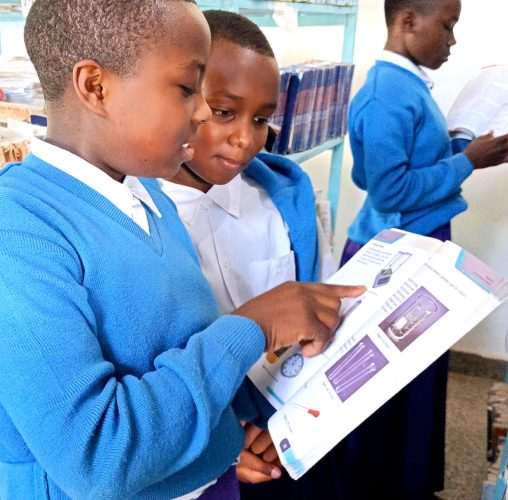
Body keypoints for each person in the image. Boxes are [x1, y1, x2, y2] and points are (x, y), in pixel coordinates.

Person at [0, 1, 363, 499]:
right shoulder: (6, 238)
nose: (202, 112)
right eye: (186, 88)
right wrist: (254, 326)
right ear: (96, 87)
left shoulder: (145, 193)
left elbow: (175, 353)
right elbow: (96, 456)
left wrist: (218, 441)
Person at [335, 0, 508, 498]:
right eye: (446, 26)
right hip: (397, 253)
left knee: (414, 379)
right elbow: (388, 190)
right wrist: (466, 161)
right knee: (391, 387)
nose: (452, 41)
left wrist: (470, 156)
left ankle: (404, 483)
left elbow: (376, 171)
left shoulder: (403, 87)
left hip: (417, 243)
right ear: (407, 22)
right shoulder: (388, 94)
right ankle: (382, 486)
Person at [158, 10, 341, 499]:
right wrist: (224, 444)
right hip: (204, 454)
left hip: (295, 433)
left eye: (261, 119)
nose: (245, 138)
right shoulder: (140, 224)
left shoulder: (283, 203)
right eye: (224, 112)